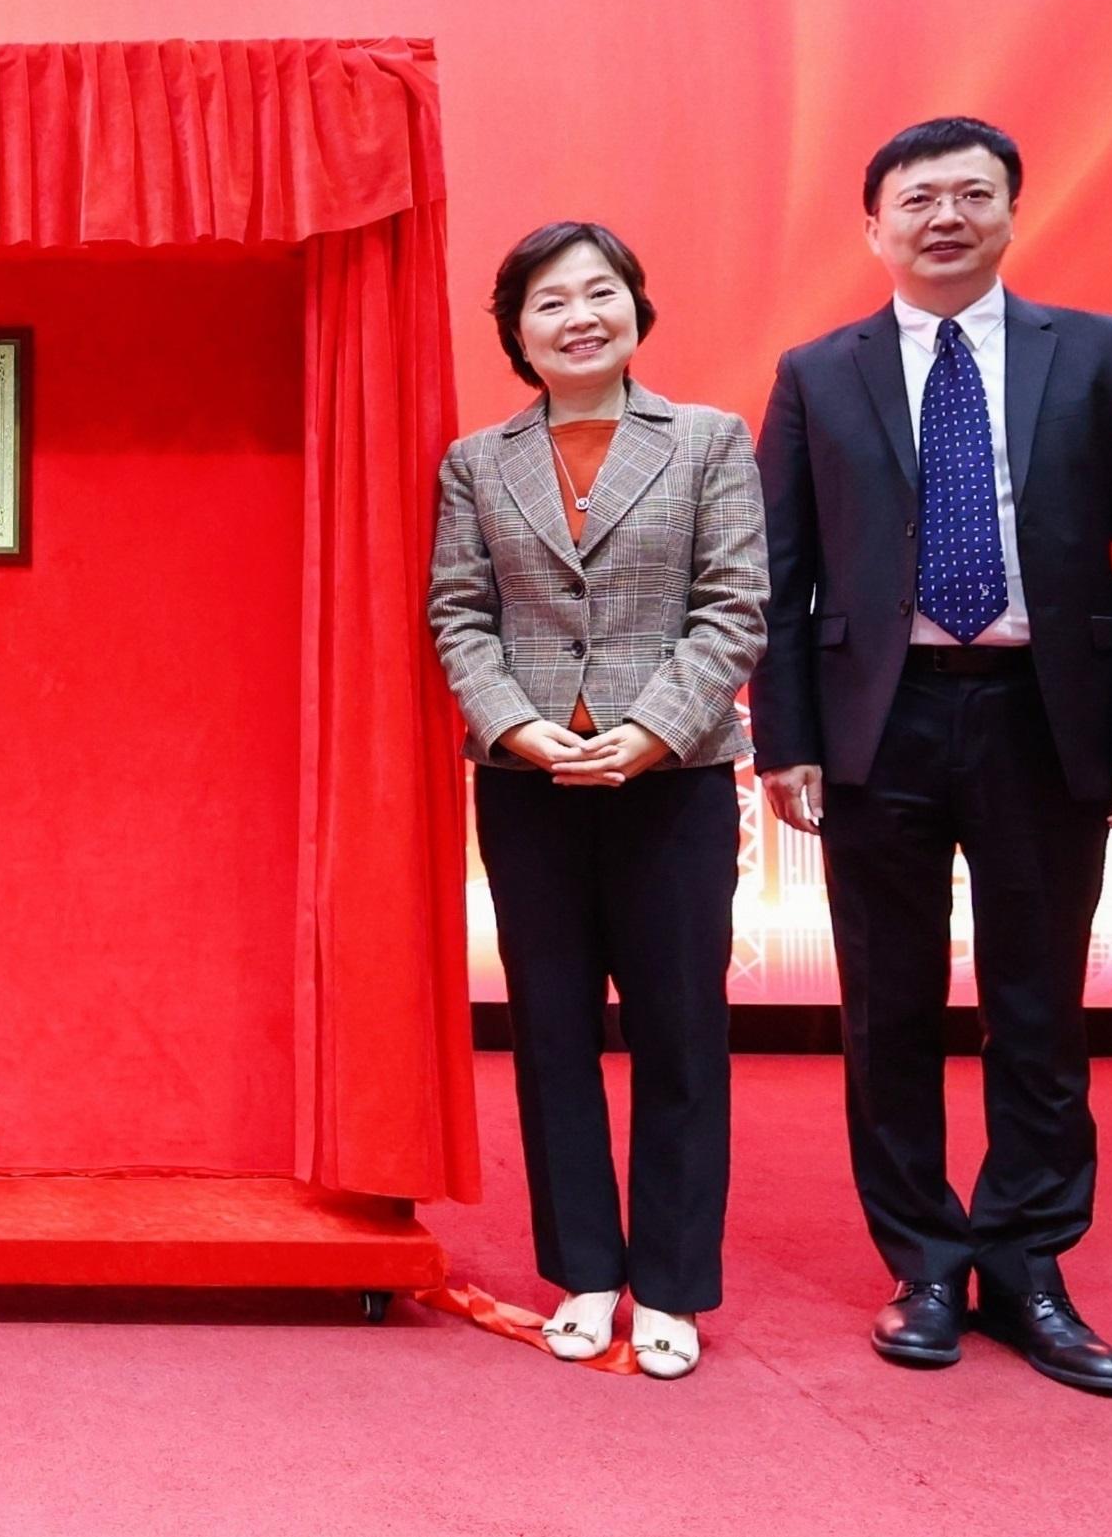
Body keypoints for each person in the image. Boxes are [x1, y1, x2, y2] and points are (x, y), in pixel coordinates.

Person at [752, 117, 1112, 1398]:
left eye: (970, 194)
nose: (942, 217)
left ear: (1011, 210)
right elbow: (783, 576)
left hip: (1038, 715)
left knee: (1037, 1009)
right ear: (872, 227)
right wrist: (785, 736)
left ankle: (1027, 1264)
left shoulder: (1102, 353)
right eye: (916, 198)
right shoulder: (816, 373)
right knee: (886, 1008)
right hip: (876, 723)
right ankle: (924, 1262)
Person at [427, 221, 767, 1381]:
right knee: (552, 1036)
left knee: (680, 1035)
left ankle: (670, 1284)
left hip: (671, 783)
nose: (579, 316)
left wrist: (649, 730)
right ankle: (584, 1271)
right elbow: (458, 615)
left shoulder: (709, 440)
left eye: (600, 292)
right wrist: (514, 727)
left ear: (635, 305)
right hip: (528, 787)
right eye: (548, 302)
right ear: (516, 332)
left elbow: (733, 608)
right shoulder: (478, 461)